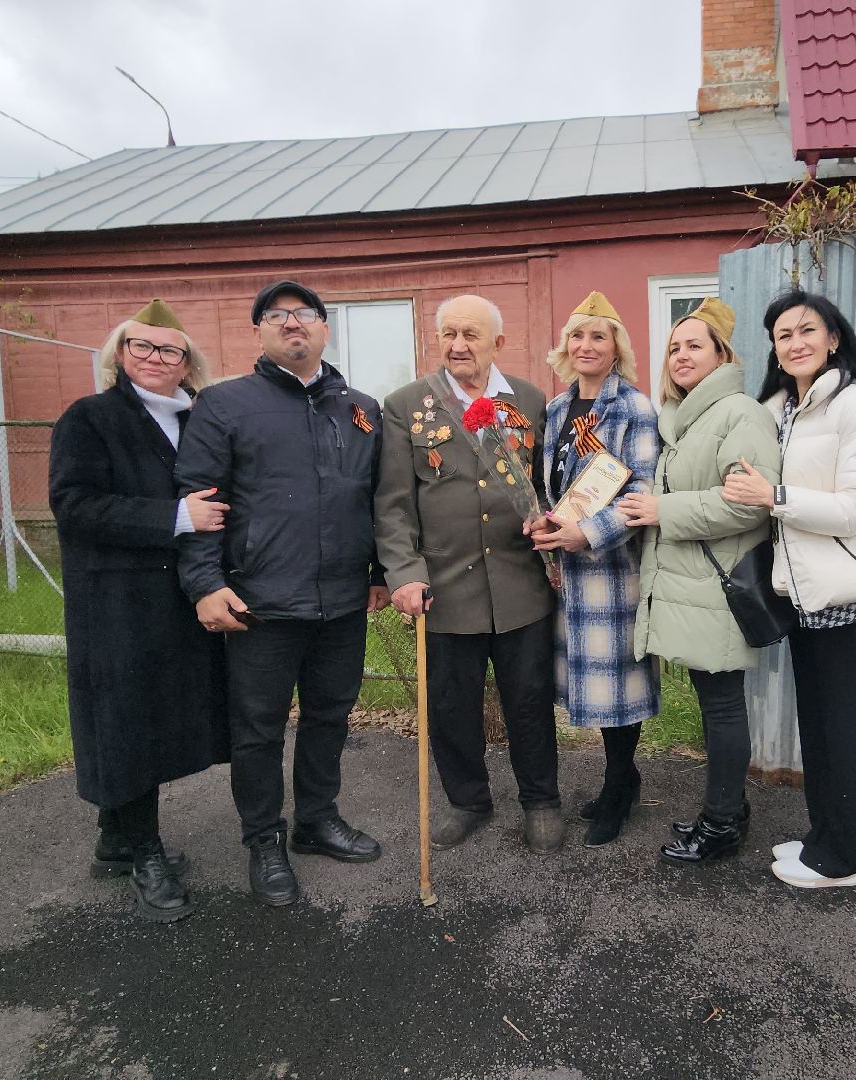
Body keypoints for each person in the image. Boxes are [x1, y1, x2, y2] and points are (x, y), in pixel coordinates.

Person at [174, 281, 388, 907]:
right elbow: (198, 500)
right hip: (259, 601)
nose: (293, 325)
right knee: (259, 728)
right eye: (277, 317)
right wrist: (206, 584)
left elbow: (373, 499)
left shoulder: (362, 408)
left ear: (325, 329)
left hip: (343, 601)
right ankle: (264, 839)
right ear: (260, 333)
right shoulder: (224, 405)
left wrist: (375, 573)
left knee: (330, 716)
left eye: (305, 316)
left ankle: (317, 821)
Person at [48, 298, 230, 923]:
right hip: (116, 601)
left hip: (175, 599)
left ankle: (113, 839)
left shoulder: (195, 420)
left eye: (169, 351)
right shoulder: (91, 418)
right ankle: (144, 850)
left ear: (187, 363)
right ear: (121, 355)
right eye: (142, 348)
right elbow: (74, 505)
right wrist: (176, 517)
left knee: (144, 715)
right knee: (126, 722)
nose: (155, 360)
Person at [720, 289, 856, 890]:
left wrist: (774, 499)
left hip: (848, 595)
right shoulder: (780, 408)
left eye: (807, 331)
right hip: (801, 593)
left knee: (844, 728)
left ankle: (841, 860)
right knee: (818, 725)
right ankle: (823, 836)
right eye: (782, 335)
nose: (795, 343)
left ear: (832, 337)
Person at [376, 294, 564, 854]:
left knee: (528, 698)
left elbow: (546, 486)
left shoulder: (529, 399)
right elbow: (392, 502)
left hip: (519, 585)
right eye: (449, 334)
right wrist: (403, 572)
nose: (459, 346)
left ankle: (541, 800)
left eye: (471, 335)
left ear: (497, 344)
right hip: (444, 586)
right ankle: (467, 801)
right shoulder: (406, 405)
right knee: (452, 705)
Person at [616, 297, 781, 863]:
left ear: (721, 354)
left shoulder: (740, 414)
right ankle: (728, 807)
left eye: (694, 346)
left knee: (723, 706)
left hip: (719, 590)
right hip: (693, 591)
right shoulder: (686, 418)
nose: (680, 355)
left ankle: (721, 826)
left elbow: (749, 506)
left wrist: (664, 509)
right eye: (673, 347)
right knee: (718, 705)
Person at [526, 292, 660, 848]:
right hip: (564, 573)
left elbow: (644, 491)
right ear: (565, 347)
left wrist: (589, 533)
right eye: (578, 336)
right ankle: (621, 782)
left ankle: (618, 790)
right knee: (588, 684)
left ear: (615, 349)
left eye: (598, 337)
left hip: (612, 572)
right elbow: (550, 486)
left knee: (615, 689)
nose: (586, 346)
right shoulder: (556, 411)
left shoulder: (634, 408)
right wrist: (542, 523)